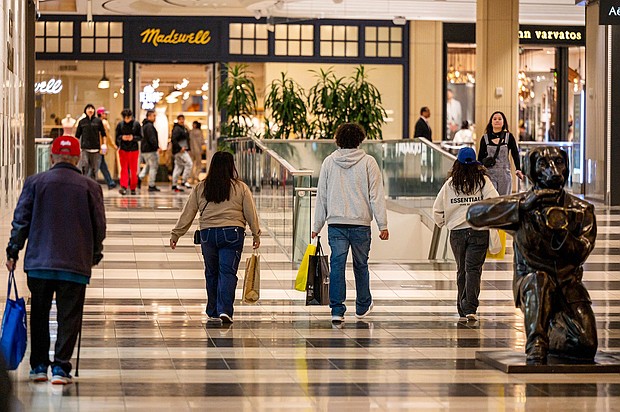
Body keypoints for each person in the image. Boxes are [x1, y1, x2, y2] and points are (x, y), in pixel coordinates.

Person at [5, 135, 106, 385]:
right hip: (74, 264)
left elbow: (21, 220)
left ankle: (39, 366)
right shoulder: (90, 187)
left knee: (39, 314)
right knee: (69, 316)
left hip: (39, 264)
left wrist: (13, 250)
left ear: (51, 158)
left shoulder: (35, 182)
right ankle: (61, 368)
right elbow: (99, 227)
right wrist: (94, 254)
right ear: (78, 158)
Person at [311, 123, 389, 324]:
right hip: (361, 223)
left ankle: (337, 310)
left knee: (337, 265)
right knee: (361, 265)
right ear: (359, 139)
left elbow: (322, 196)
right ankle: (362, 307)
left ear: (338, 139)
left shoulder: (329, 162)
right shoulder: (368, 163)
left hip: (336, 223)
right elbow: (376, 195)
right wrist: (382, 225)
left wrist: (316, 225)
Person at [170, 151, 260, 324]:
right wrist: (256, 233)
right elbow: (250, 212)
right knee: (227, 272)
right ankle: (225, 310)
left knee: (211, 273)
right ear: (231, 166)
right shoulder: (240, 187)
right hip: (232, 233)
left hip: (208, 234)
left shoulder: (202, 187)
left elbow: (189, 211)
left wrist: (177, 233)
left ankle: (212, 309)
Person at [433, 147, 499, 321]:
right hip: (478, 230)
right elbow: (495, 200)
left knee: (462, 269)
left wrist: (443, 223)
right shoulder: (483, 181)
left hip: (457, 233)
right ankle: (469, 307)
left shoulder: (450, 184)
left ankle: (462, 308)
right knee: (473, 270)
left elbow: (437, 209)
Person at [477, 111, 524, 196]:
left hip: (505, 174)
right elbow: (480, 156)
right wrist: (478, 171)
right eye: (494, 119)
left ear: (503, 122)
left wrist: (518, 169)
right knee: (491, 199)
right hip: (489, 174)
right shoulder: (485, 138)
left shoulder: (508, 137)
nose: (497, 121)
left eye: (499, 119)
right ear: (491, 122)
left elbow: (515, 153)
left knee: (504, 200)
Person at [115, 108, 142, 195]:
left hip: (133, 149)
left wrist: (133, 138)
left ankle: (133, 187)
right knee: (124, 169)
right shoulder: (120, 125)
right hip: (123, 149)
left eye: (128, 117)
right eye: (125, 118)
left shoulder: (136, 124)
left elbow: (141, 137)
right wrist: (122, 138)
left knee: (133, 170)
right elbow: (117, 136)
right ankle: (124, 186)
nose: (127, 119)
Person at [75, 104, 106, 180]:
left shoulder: (98, 121)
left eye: (92, 108)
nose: (90, 110)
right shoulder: (82, 122)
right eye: (88, 108)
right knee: (85, 166)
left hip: (95, 148)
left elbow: (103, 134)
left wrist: (104, 145)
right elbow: (77, 136)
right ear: (85, 110)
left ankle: (93, 184)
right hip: (85, 148)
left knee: (94, 168)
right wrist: (77, 147)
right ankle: (84, 182)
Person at [139, 110, 161, 192]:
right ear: (149, 116)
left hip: (145, 150)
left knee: (148, 166)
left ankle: (139, 178)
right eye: (153, 116)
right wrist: (157, 147)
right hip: (150, 150)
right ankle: (151, 185)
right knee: (153, 167)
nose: (155, 118)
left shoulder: (144, 126)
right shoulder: (149, 126)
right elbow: (152, 139)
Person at [171, 114, 193, 192]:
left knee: (178, 167)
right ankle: (184, 181)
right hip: (180, 151)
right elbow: (173, 140)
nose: (182, 121)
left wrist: (188, 148)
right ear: (178, 120)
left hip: (180, 150)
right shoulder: (177, 129)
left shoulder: (183, 128)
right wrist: (180, 148)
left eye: (183, 119)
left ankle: (174, 184)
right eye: (180, 119)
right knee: (189, 163)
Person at [96, 107, 117, 189]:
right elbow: (107, 136)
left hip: (98, 146)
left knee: (101, 164)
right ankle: (109, 182)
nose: (106, 115)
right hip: (101, 146)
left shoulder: (96, 122)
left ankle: (110, 182)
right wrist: (113, 145)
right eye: (105, 113)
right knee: (98, 165)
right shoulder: (104, 123)